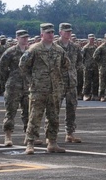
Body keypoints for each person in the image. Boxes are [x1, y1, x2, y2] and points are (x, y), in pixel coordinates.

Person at [20, 23, 71, 155]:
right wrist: (32, 81)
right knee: (35, 117)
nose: (51, 35)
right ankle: (30, 143)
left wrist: (59, 82)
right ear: (42, 34)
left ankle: (52, 142)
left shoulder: (59, 50)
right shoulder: (34, 49)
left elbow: (66, 65)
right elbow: (23, 66)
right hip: (38, 89)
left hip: (54, 90)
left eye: (52, 32)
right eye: (48, 33)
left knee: (53, 117)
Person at [0, 29, 30, 146]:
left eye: (26, 37)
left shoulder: (30, 51)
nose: (25, 39)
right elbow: (2, 68)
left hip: (27, 86)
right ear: (17, 38)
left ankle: (28, 136)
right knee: (10, 112)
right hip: (13, 86)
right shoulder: (10, 52)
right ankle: (8, 136)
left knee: (28, 112)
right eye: (23, 37)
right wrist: (9, 80)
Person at [56, 23, 83, 143]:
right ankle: (51, 134)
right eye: (65, 31)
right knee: (54, 109)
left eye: (69, 31)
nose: (68, 33)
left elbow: (79, 64)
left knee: (71, 108)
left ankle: (70, 133)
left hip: (71, 82)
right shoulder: (54, 46)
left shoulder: (75, 47)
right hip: (58, 82)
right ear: (60, 32)